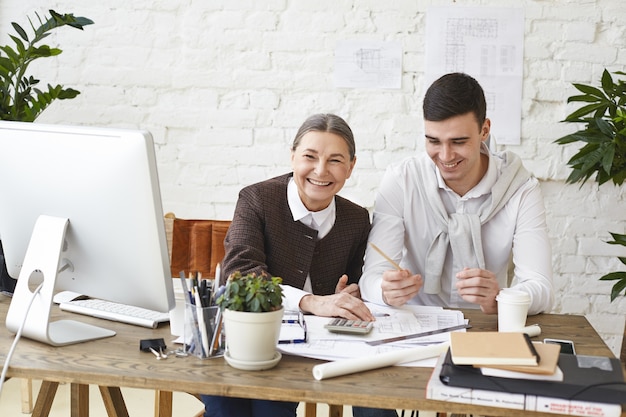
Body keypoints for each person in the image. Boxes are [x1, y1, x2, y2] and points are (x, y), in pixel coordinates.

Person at [201, 113, 398, 417]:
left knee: (375, 398)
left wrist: (349, 294)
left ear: (351, 167)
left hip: (320, 345)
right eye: (310, 156)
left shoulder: (356, 219)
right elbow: (241, 271)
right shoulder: (256, 199)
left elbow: (358, 283)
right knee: (243, 404)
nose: (321, 170)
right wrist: (311, 301)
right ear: (292, 157)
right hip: (252, 337)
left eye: (335, 160)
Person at [360, 72, 553, 316]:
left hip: (487, 327)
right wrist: (384, 290)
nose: (445, 155)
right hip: (416, 325)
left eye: (458, 142)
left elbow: (541, 288)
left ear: (485, 130)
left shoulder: (520, 188)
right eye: (434, 141)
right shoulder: (402, 181)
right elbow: (371, 278)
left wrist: (501, 298)